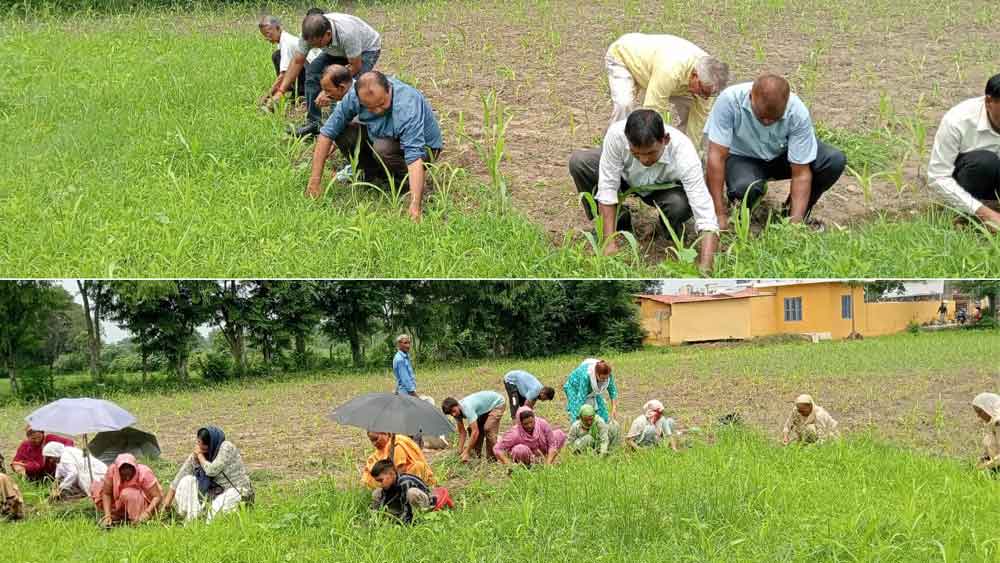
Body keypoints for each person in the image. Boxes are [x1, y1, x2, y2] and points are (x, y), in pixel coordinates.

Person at [569, 108, 721, 271]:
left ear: (666, 139)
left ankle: (669, 229)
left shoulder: (684, 154)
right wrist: (608, 243)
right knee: (581, 162)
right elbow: (607, 188)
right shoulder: (616, 135)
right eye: (636, 154)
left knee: (678, 205)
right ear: (627, 140)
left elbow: (705, 214)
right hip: (626, 179)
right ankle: (619, 222)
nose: (644, 159)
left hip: (664, 190)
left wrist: (706, 266)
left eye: (651, 153)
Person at [704, 74, 846, 230]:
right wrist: (718, 213)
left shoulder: (797, 111)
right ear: (751, 96)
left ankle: (792, 215)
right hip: (742, 157)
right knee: (745, 188)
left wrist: (794, 228)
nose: (767, 122)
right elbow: (716, 157)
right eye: (761, 116)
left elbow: (801, 173)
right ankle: (743, 218)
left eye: (774, 119)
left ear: (786, 104)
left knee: (833, 160)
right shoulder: (730, 101)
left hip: (781, 155)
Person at [308, 71, 443, 222]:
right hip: (382, 135)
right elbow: (327, 133)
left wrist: (415, 206)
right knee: (344, 131)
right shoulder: (353, 96)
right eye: (370, 108)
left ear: (389, 89)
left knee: (382, 148)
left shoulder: (406, 105)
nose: (378, 111)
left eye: (382, 104)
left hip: (424, 148)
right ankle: (373, 175)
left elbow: (414, 156)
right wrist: (314, 182)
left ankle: (405, 185)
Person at [272, 11, 382, 137]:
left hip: (366, 50)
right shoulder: (308, 36)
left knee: (345, 88)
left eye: (317, 45)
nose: (315, 48)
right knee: (313, 71)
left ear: (328, 34)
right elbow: (298, 61)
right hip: (336, 50)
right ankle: (314, 122)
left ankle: (337, 129)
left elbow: (354, 66)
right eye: (311, 45)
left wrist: (327, 93)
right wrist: (280, 91)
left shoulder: (347, 33)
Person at [604, 33, 729, 143]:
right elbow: (653, 109)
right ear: (694, 75)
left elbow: (698, 122)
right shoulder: (671, 70)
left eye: (709, 94)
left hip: (653, 69)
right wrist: (654, 144)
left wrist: (691, 152)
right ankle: (613, 146)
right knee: (624, 104)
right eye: (702, 92)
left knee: (692, 112)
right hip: (623, 57)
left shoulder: (709, 80)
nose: (705, 97)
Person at [927, 74, 1000, 233]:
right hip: (970, 180)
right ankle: (964, 217)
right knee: (985, 162)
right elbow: (937, 177)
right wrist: (985, 214)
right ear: (989, 102)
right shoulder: (958, 120)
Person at [161, 427, 253, 523]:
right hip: (214, 492)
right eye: (198, 443)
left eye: (202, 445)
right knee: (186, 481)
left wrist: (200, 456)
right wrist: (166, 504)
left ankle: (208, 521)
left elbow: (212, 470)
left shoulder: (226, 447)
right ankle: (192, 519)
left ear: (211, 444)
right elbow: (180, 475)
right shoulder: (199, 453)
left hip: (236, 490)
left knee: (213, 515)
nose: (199, 447)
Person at [369, 459, 452, 524]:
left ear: (391, 474)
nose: (380, 484)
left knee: (411, 493)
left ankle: (419, 519)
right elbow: (384, 502)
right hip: (402, 504)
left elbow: (406, 506)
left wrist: (404, 524)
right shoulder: (388, 484)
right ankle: (376, 520)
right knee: (377, 492)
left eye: (381, 480)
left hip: (423, 503)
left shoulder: (405, 482)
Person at [92, 453, 163, 527]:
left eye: (129, 475)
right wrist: (107, 515)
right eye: (124, 476)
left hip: (144, 505)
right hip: (120, 502)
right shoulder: (113, 471)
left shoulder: (144, 473)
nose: (127, 478)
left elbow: (157, 497)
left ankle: (137, 521)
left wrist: (147, 513)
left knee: (128, 493)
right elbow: (106, 493)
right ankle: (118, 516)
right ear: (118, 471)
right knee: (97, 487)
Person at [441, 391, 506, 463]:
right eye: (450, 413)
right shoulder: (456, 413)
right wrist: (459, 451)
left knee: (488, 428)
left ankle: (492, 460)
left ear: (457, 405)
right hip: (485, 409)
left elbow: (475, 432)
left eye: (453, 411)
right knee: (471, 429)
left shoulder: (467, 408)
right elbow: (462, 433)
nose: (453, 414)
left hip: (497, 403)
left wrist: (466, 451)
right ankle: (476, 458)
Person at [493, 407, 567, 467]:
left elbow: (552, 444)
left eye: (531, 422)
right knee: (520, 449)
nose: (529, 426)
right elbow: (497, 449)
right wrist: (509, 465)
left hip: (543, 453)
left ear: (534, 418)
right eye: (525, 424)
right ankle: (527, 466)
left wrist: (548, 464)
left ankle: (547, 460)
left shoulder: (542, 423)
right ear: (520, 423)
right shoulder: (514, 434)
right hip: (527, 457)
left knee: (559, 434)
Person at [362, 432, 435, 489]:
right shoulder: (377, 454)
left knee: (419, 466)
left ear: (385, 433)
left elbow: (401, 470)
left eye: (376, 439)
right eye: (372, 441)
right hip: (390, 480)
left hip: (405, 478)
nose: (374, 443)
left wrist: (393, 482)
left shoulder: (398, 444)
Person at [258, 15, 305, 103]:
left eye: (268, 33)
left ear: (278, 28)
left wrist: (268, 95)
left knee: (277, 56)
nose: (267, 38)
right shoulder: (282, 40)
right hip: (303, 69)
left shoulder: (286, 42)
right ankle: (293, 89)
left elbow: (283, 74)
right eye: (264, 35)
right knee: (277, 56)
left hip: (311, 72)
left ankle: (301, 93)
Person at [42, 442, 107, 502]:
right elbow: (59, 469)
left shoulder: (65, 456)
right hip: (89, 471)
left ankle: (93, 499)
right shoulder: (62, 454)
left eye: (51, 457)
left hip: (95, 472)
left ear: (55, 453)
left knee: (91, 488)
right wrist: (56, 480)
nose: (50, 460)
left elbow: (73, 473)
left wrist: (62, 487)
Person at [564, 358, 619, 424]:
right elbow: (581, 398)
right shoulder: (586, 376)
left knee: (602, 412)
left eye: (606, 378)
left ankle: (603, 426)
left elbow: (613, 390)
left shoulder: (607, 374)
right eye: (602, 378)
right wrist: (578, 417)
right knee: (576, 412)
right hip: (574, 386)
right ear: (596, 374)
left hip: (592, 386)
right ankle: (576, 429)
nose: (604, 380)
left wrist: (614, 409)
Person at [972, 393, 1000, 472]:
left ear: (988, 408)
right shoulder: (994, 424)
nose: (978, 415)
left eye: (980, 411)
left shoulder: (998, 423)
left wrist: (983, 467)